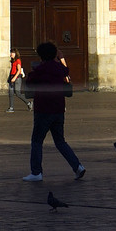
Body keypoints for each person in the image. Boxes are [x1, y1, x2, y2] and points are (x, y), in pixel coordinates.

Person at [22, 40, 84, 182]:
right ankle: (78, 166)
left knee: (37, 141)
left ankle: (36, 172)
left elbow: (30, 83)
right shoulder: (60, 69)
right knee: (60, 141)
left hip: (43, 109)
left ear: (41, 55)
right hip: (58, 109)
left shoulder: (40, 70)